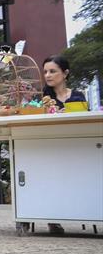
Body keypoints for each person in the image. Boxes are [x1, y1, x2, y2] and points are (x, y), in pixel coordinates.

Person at [42, 55, 87, 234]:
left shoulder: (78, 95)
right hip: (50, 146)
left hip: (75, 145)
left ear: (65, 73)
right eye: (45, 72)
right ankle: (53, 218)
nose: (48, 75)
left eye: (52, 71)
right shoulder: (42, 97)